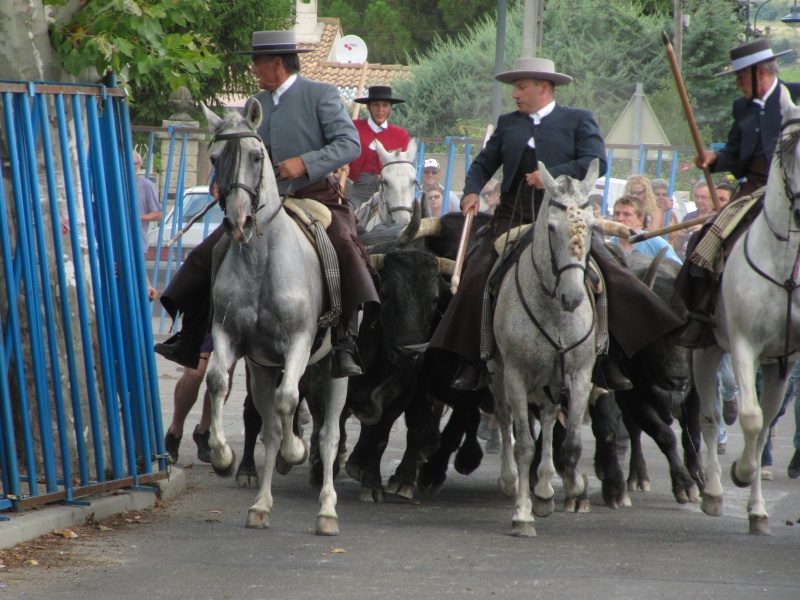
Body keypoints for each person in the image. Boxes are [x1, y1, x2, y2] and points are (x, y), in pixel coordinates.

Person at [428, 56, 684, 391]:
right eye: (515, 88)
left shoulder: (578, 120)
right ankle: (473, 360)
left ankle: (611, 359)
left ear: (543, 88)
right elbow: (483, 163)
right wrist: (472, 191)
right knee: (477, 274)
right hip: (513, 216)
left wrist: (553, 174)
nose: (515, 94)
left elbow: (596, 161)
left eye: (521, 87)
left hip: (566, 216)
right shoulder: (508, 123)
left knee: (606, 271)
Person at [155, 30, 378, 379]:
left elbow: (349, 143)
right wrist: (221, 182)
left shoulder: (321, 94)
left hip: (315, 196)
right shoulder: (254, 103)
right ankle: (191, 335)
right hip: (263, 204)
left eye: (257, 63)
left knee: (345, 249)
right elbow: (239, 152)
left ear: (276, 63)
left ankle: (345, 340)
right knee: (208, 253)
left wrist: (304, 163)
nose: (254, 70)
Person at [681, 39, 800, 347]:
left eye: (740, 76)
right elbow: (735, 155)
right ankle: (702, 314)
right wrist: (714, 159)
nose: (736, 83)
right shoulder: (741, 108)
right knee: (705, 238)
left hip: (796, 188)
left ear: (760, 72)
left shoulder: (797, 96)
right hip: (753, 188)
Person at [346, 86, 410, 208]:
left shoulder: (401, 135)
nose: (380, 110)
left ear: (390, 108)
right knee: (347, 216)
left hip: (388, 190)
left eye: (385, 105)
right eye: (376, 105)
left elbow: (405, 167)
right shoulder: (353, 128)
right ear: (368, 106)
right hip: (356, 188)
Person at [610, 195, 682, 263]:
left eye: (627, 214)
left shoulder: (656, 243)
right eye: (617, 214)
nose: (619, 218)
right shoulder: (608, 245)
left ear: (640, 220)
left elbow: (678, 270)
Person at [134, 151, 162, 301]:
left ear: (140, 166)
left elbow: (158, 214)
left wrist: (138, 217)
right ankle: (147, 289)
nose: (132, 167)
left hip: (138, 239)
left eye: (135, 164)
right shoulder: (115, 183)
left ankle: (146, 291)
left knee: (137, 270)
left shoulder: (147, 186)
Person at [672, 181, 714, 261]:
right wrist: (680, 236)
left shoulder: (716, 218)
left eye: (703, 197)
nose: (698, 201)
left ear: (711, 198)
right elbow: (676, 247)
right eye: (696, 197)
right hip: (686, 263)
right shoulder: (689, 217)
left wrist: (703, 231)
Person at [650, 178, 679, 243]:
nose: (661, 197)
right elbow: (653, 234)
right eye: (657, 194)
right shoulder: (648, 212)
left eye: (664, 195)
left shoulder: (671, 214)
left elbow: (677, 234)